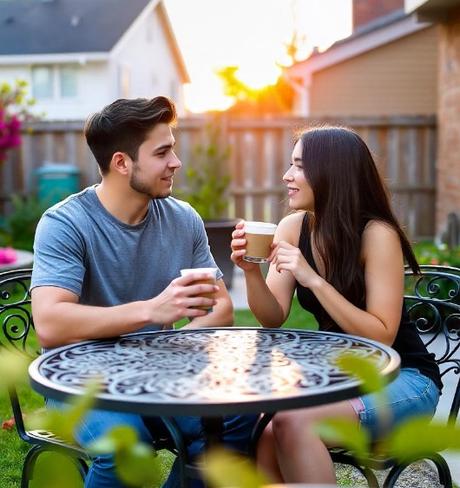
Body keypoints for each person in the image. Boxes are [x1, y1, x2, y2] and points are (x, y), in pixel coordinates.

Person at [31, 96, 256, 488]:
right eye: (163, 152)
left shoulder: (182, 219)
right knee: (124, 445)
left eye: (173, 149)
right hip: (77, 379)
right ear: (122, 163)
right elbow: (51, 323)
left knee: (239, 416)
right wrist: (153, 311)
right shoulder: (65, 223)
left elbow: (219, 308)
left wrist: (168, 353)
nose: (176, 162)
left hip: (159, 378)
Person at [230, 126, 442, 485]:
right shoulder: (292, 227)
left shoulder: (377, 235)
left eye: (298, 166)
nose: (287, 176)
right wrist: (251, 271)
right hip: (340, 379)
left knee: (292, 421)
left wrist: (312, 279)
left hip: (403, 378)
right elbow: (272, 317)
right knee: (263, 430)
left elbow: (383, 335)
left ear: (330, 172)